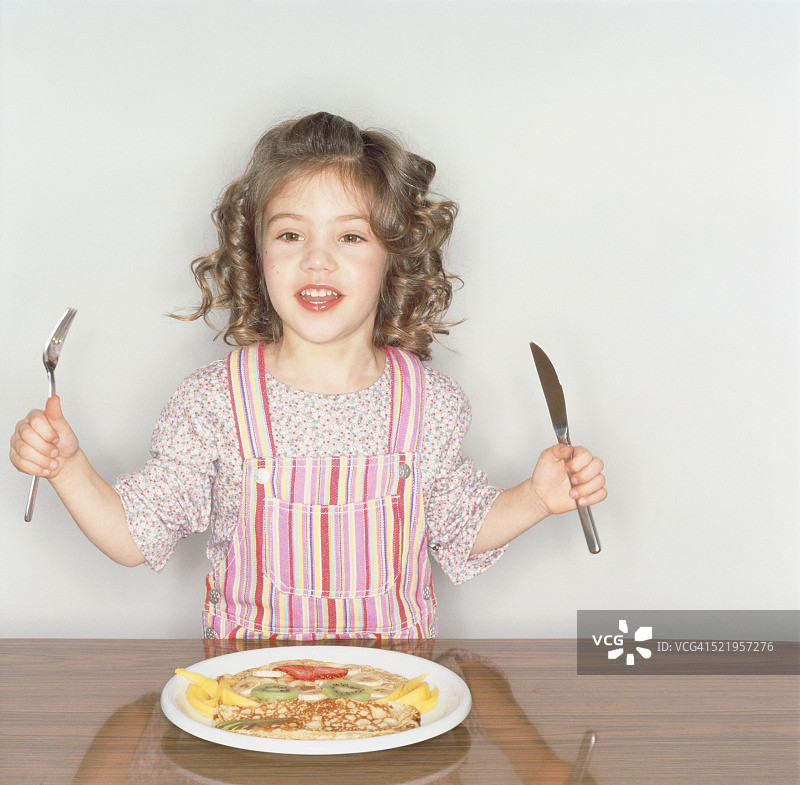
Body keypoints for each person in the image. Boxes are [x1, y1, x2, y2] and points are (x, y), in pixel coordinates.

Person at [9, 112, 606, 641]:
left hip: (394, 703)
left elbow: (460, 527)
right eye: (291, 234)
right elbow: (133, 537)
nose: (317, 259)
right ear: (257, 253)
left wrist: (536, 499)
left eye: (350, 236)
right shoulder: (214, 401)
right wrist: (68, 466)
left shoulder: (431, 403)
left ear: (393, 258)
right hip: (249, 703)